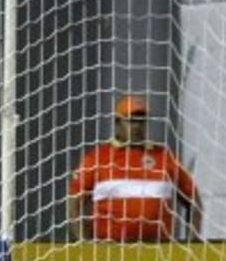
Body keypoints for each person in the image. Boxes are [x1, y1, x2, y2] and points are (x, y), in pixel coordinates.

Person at [68, 95, 203, 242]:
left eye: (141, 122)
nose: (137, 127)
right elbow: (74, 203)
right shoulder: (97, 158)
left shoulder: (163, 156)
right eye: (131, 121)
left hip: (159, 251)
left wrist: (192, 243)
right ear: (118, 123)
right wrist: (85, 243)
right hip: (110, 251)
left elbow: (194, 200)